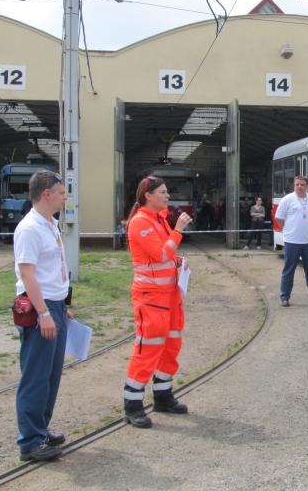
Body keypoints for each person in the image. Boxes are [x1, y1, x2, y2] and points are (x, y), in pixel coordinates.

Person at [123, 175, 192, 428]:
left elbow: (165, 257)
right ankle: (132, 406)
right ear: (148, 196)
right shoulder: (140, 222)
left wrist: (178, 263)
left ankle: (163, 396)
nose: (167, 196)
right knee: (147, 350)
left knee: (171, 346)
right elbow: (161, 252)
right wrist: (179, 231)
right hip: (151, 300)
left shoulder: (158, 219)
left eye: (166, 192)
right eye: (162, 192)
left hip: (170, 298)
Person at [13, 171, 71, 462]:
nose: (65, 196)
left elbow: (53, 269)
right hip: (40, 308)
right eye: (61, 192)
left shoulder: (51, 224)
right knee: (36, 376)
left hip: (55, 305)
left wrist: (62, 304)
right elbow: (27, 274)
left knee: (50, 375)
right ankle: (30, 441)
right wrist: (45, 313)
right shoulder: (29, 229)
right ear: (46, 194)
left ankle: (40, 428)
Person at [275, 175, 308, 307]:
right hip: (292, 241)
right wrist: (287, 230)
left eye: (302, 185)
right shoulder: (287, 199)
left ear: (307, 186)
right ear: (294, 185)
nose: (299, 187)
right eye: (297, 184)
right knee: (289, 270)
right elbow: (279, 218)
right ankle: (285, 297)